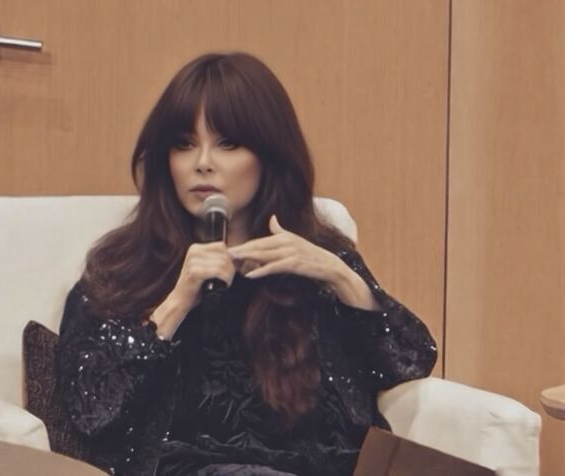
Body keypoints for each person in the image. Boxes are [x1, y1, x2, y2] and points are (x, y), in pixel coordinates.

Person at [56, 52, 437, 476]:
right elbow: (92, 412)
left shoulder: (317, 259)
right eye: (184, 144)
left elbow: (411, 362)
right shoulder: (124, 269)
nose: (203, 162)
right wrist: (176, 304)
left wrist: (341, 277)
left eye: (227, 144)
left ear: (268, 155)